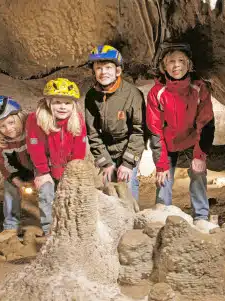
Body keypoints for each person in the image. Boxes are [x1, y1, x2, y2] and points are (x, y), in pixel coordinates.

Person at [146, 42, 216, 230]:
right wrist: (161, 165)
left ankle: (201, 216)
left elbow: (206, 122)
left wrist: (199, 155)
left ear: (188, 64)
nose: (176, 66)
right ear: (164, 66)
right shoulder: (157, 93)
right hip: (168, 142)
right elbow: (155, 129)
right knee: (163, 178)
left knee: (198, 172)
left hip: (192, 139)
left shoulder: (199, 89)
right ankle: (163, 212)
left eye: (181, 61)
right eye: (171, 62)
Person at [26, 78, 86, 235]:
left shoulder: (77, 119)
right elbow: (35, 147)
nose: (62, 107)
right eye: (57, 102)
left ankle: (69, 229)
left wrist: (73, 172)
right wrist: (43, 172)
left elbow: (79, 147)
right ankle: (49, 231)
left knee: (70, 196)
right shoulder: (36, 119)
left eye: (67, 103)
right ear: (48, 102)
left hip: (67, 166)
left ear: (73, 105)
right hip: (45, 166)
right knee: (47, 195)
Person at [85, 45, 145, 201]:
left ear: (117, 70)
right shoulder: (91, 96)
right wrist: (104, 161)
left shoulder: (132, 94)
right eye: (99, 68)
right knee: (107, 188)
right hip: (106, 149)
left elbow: (139, 131)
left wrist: (128, 163)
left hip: (128, 145)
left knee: (126, 184)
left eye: (108, 67)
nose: (103, 72)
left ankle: (131, 220)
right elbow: (92, 132)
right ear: (94, 72)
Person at [0, 95, 34, 243]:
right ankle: (11, 227)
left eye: (11, 123)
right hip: (21, 172)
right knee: (9, 186)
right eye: (2, 127)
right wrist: (15, 179)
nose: (8, 129)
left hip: (43, 169)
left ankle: (51, 222)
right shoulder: (1, 143)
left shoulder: (33, 129)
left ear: (19, 117)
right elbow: (2, 164)